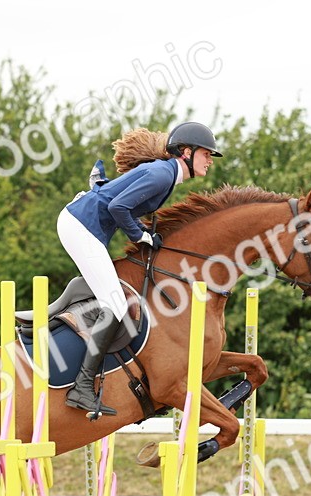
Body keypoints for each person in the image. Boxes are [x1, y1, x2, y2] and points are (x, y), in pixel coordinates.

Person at [58, 121, 222, 417]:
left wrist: (141, 228)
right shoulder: (162, 175)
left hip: (83, 226)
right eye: (206, 154)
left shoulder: (166, 175)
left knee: (113, 298)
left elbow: (120, 201)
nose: (209, 160)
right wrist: (140, 235)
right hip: (80, 228)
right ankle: (81, 387)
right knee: (116, 305)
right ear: (186, 151)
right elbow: (117, 208)